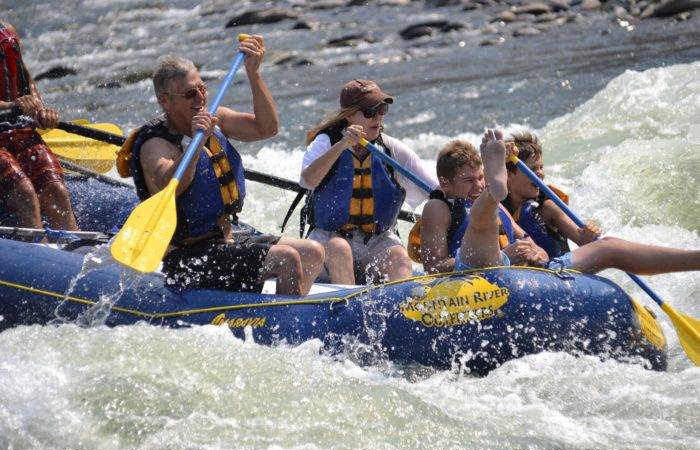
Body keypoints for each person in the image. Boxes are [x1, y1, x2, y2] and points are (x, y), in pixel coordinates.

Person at [116, 36, 323, 295]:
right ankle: (280, 327)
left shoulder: (215, 117)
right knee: (287, 259)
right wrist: (196, 141)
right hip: (188, 256)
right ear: (165, 102)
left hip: (227, 237)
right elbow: (170, 184)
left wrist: (253, 73)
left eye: (202, 89)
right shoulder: (154, 144)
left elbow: (266, 128)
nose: (200, 98)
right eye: (190, 94)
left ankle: (290, 310)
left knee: (313, 251)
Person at [300, 79, 438, 284]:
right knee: (340, 249)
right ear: (348, 116)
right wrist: (342, 146)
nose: (378, 118)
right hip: (329, 238)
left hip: (376, 240)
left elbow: (434, 191)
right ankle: (347, 309)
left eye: (382, 110)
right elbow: (307, 181)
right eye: (369, 113)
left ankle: (402, 308)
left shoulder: (391, 149)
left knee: (399, 258)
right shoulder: (326, 142)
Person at [504, 131, 700, 274]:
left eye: (541, 167)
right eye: (532, 169)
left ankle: (693, 259)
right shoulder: (495, 207)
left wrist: (587, 234)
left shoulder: (548, 208)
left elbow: (581, 239)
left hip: (557, 272)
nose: (540, 174)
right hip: (521, 278)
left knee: (609, 246)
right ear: (508, 176)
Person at [418, 133, 548, 274]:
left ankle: (495, 175)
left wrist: (535, 256)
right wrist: (505, 257)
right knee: (489, 201)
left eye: (480, 177)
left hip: (511, 277)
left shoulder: (496, 205)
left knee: (575, 258)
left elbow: (536, 249)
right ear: (445, 183)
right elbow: (434, 267)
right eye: (469, 180)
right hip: (469, 281)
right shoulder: (438, 208)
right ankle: (498, 260)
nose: (478, 185)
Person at [0, 20, 78, 231]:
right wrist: (12, 106)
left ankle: (76, 249)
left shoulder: (7, 30)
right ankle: (39, 252)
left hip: (17, 129)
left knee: (56, 190)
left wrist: (39, 109)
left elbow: (26, 78)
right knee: (24, 192)